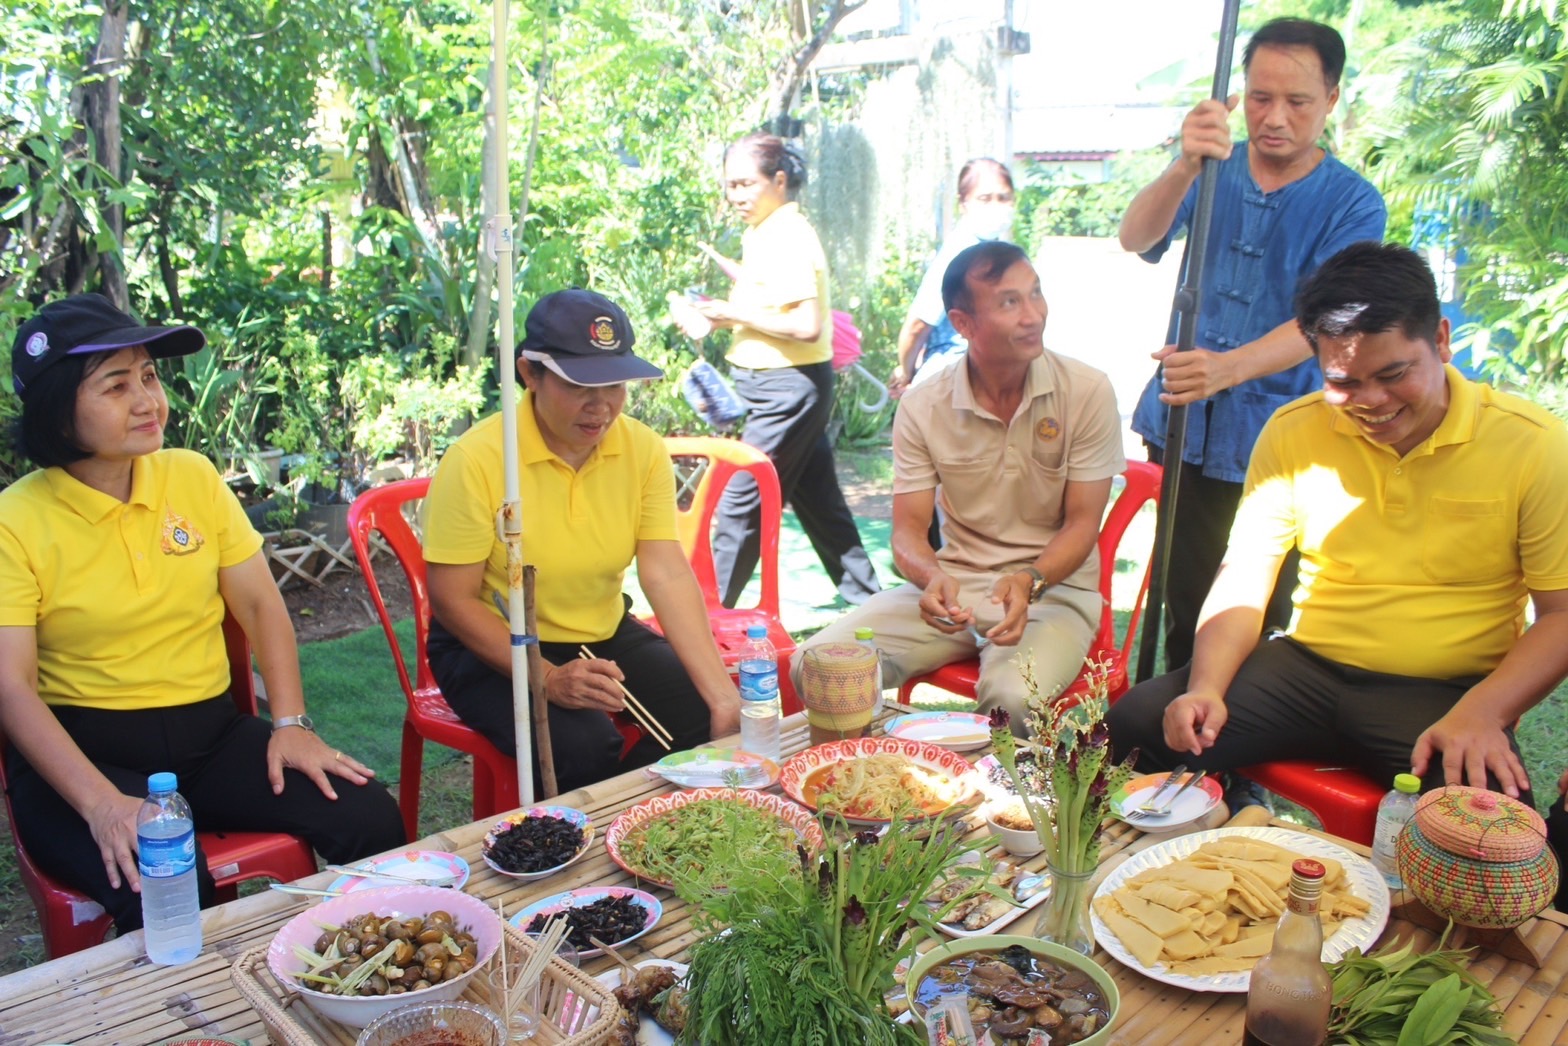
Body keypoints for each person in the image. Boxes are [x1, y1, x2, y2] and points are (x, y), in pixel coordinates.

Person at [1106, 243, 1568, 807]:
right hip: (1303, 669)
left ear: (1442, 339)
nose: (1371, 401)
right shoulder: (1294, 430)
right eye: (1343, 381)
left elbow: (1560, 617)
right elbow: (1247, 572)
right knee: (1138, 726)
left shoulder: (1533, 444)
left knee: (1481, 815)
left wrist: (1483, 711)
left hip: (1442, 692)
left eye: (1394, 373)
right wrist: (1205, 686)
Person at [0, 293, 405, 934]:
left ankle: (381, 992)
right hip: (87, 758)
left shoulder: (190, 477)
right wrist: (103, 804)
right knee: (165, 881)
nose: (147, 400)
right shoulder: (15, 521)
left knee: (368, 817)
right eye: (115, 385)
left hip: (210, 738)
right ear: (56, 408)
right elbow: (11, 688)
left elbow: (259, 604)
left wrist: (291, 724)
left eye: (150, 377)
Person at [1119, 17, 1387, 670]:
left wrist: (1226, 370)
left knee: (1260, 601)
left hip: (1282, 438)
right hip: (1183, 421)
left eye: (1297, 102)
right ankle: (1181, 734)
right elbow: (1137, 237)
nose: (1275, 117)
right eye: (1260, 97)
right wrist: (1184, 163)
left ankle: (1236, 748)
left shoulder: (1355, 203)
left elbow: (1328, 321)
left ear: (1331, 98)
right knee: (1180, 592)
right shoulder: (1212, 168)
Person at [792, 241, 1124, 726]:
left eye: (1036, 294)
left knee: (1010, 697)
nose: (1033, 315)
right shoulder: (924, 404)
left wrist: (1029, 580)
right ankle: (872, 782)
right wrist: (931, 578)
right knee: (816, 665)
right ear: (963, 323)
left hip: (1053, 595)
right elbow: (907, 531)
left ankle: (994, 800)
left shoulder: (1087, 390)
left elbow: (1081, 525)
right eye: (1010, 302)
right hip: (957, 591)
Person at [424, 289, 740, 795]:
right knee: (582, 745)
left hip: (598, 629)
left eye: (615, 384)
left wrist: (724, 697)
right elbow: (451, 600)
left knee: (708, 711)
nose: (601, 406)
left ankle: (636, 820)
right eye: (579, 386)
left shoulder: (641, 448)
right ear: (531, 374)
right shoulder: (478, 459)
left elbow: (665, 571)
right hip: (493, 641)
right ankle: (597, 834)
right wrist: (546, 677)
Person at [674, 133, 881, 609]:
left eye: (747, 183)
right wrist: (718, 307)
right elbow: (770, 301)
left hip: (789, 389)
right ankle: (870, 600)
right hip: (777, 387)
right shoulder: (763, 231)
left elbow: (807, 325)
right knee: (821, 505)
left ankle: (702, 616)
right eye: (730, 185)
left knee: (741, 502)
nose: (737, 195)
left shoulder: (788, 233)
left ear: (779, 181)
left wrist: (733, 314)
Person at [888, 158, 1017, 397]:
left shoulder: (998, 253)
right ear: (963, 203)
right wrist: (906, 373)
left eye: (1004, 197)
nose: (996, 206)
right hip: (952, 379)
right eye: (985, 198)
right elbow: (918, 325)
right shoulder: (961, 253)